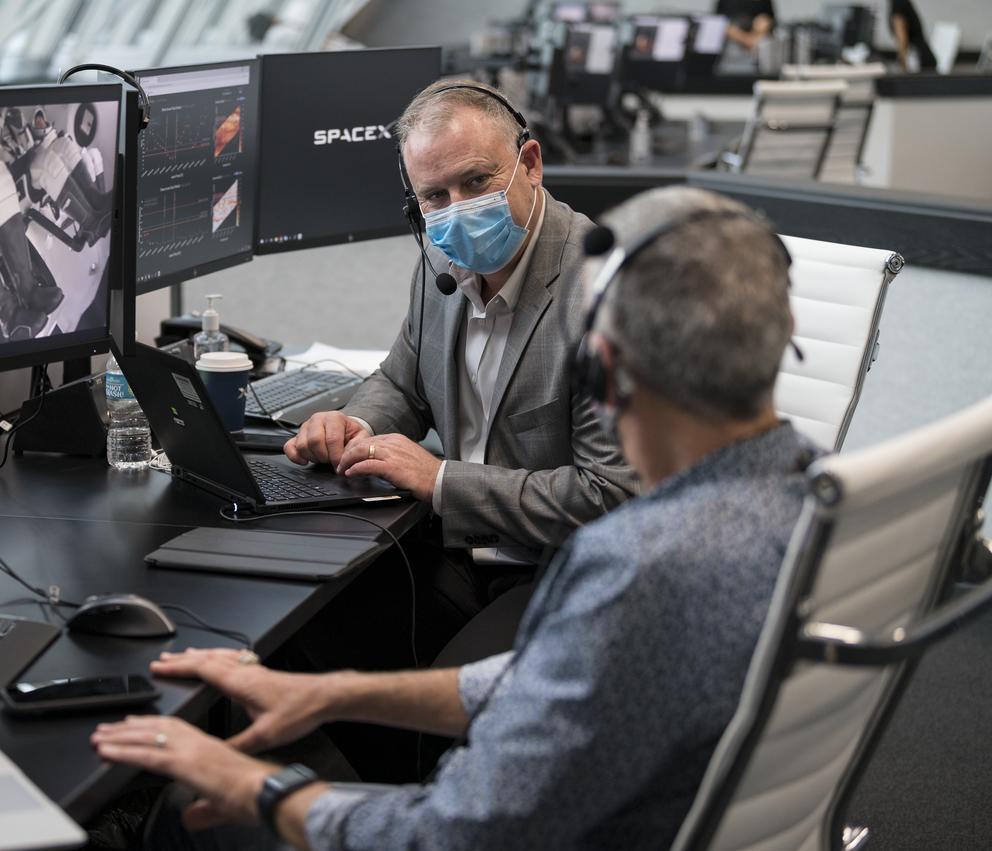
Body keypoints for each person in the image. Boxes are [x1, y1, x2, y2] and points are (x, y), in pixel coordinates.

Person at [90, 185, 820, 850]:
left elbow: (447, 834)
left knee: (185, 815)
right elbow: (559, 682)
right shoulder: (803, 491)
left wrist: (259, 786)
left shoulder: (635, 566)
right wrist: (331, 694)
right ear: (782, 331)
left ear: (603, 371)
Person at [283, 80, 636, 623]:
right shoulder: (438, 258)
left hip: (562, 575)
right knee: (304, 619)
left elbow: (612, 497)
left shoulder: (608, 297)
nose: (458, 211)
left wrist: (440, 479)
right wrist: (353, 426)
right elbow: (402, 383)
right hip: (450, 549)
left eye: (476, 181)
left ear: (531, 163)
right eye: (435, 197)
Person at [890, 0, 937, 71]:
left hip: (918, 60)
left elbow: (902, 36)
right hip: (920, 57)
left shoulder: (898, 3)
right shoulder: (901, 3)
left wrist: (903, 60)